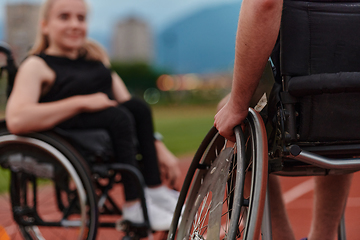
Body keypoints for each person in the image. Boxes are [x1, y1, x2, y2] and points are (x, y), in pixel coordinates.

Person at [5, 0, 181, 231]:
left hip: (110, 132)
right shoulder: (36, 65)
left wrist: (160, 149)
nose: (75, 25)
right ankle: (133, 205)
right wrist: (81, 103)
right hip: (73, 136)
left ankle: (156, 192)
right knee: (116, 116)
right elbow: (17, 119)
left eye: (81, 18)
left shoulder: (96, 59)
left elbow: (132, 110)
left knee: (137, 107)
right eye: (64, 17)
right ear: (45, 25)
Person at [213, 0, 353, 239]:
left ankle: (279, 234)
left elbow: (265, 4)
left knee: (238, 114)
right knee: (343, 108)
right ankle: (324, 234)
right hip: (351, 107)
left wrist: (237, 104)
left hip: (300, 103)